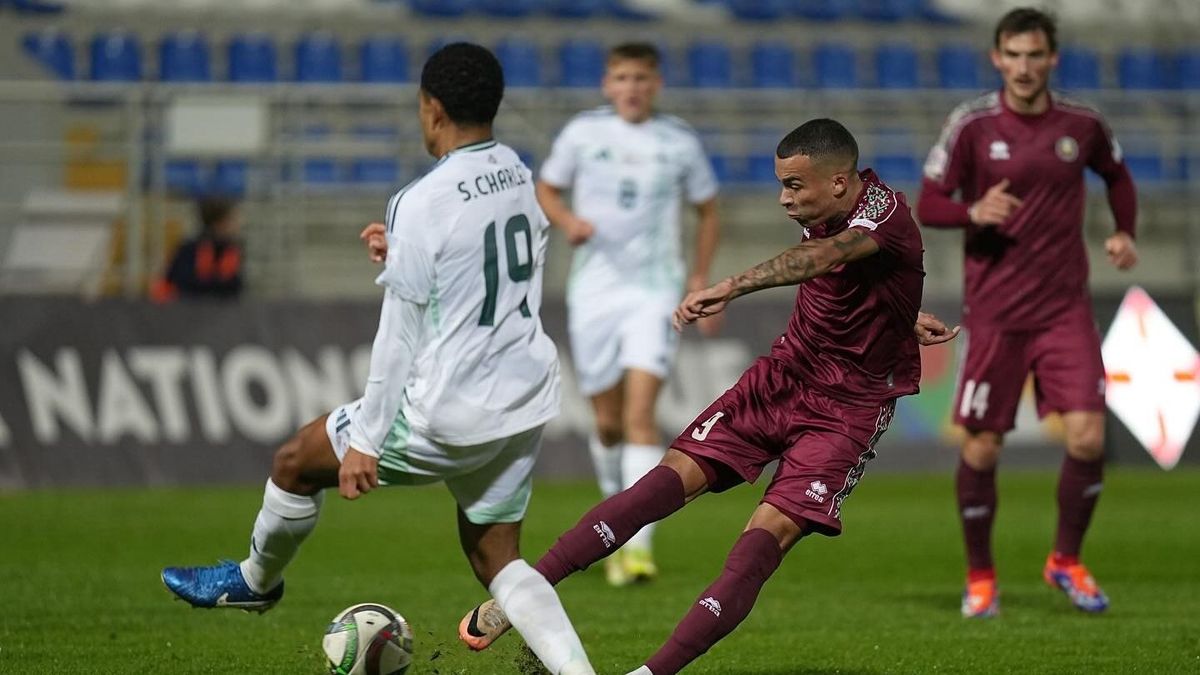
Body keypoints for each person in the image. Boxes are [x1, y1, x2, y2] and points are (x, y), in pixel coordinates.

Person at [457, 118, 959, 674]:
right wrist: (900, 316)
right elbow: (861, 279)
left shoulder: (884, 216)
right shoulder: (835, 211)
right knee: (656, 489)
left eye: (794, 186)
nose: (784, 199)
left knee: (758, 547)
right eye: (781, 184)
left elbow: (822, 260)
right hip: (782, 379)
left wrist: (728, 286)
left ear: (839, 183)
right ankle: (518, 596)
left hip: (845, 414)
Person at [160, 43, 595, 675]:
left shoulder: (422, 199)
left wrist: (366, 439)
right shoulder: (518, 171)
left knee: (294, 462)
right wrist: (406, 252)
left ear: (432, 108)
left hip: (449, 409)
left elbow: (398, 333)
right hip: (526, 399)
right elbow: (498, 253)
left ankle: (256, 580)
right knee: (497, 557)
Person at [917, 7, 1138, 618]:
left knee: (1089, 439)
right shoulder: (971, 124)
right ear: (996, 58)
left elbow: (1117, 175)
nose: (1023, 66)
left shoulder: (1083, 124)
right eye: (1012, 54)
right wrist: (971, 212)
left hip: (1065, 308)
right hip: (996, 314)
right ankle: (981, 576)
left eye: (1033, 54)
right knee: (983, 447)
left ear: (1052, 59)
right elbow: (929, 201)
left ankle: (1065, 560)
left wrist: (1123, 231)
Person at [537, 42, 722, 586]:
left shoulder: (679, 141)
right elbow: (545, 187)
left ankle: (636, 547)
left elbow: (709, 211)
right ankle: (612, 523)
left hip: (654, 291)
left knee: (642, 416)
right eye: (622, 77)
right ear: (606, 83)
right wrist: (567, 221)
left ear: (656, 83)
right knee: (609, 423)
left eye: (641, 77)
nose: (632, 87)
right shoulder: (581, 134)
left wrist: (696, 278)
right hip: (593, 292)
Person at [154, 196, 244, 301]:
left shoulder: (231, 250)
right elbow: (182, 282)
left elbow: (235, 285)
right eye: (232, 220)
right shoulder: (190, 248)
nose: (237, 224)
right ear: (220, 222)